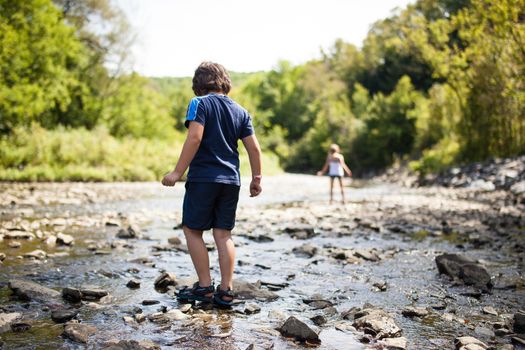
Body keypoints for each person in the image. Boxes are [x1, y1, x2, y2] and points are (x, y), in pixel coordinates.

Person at [161, 62, 262, 308]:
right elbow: (253, 148)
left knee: (192, 230)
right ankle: (226, 291)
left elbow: (194, 137)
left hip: (204, 178)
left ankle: (205, 287)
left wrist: (177, 171)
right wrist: (257, 178)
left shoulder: (199, 104)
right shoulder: (241, 111)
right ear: (223, 81)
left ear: (199, 84)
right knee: (223, 234)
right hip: (231, 180)